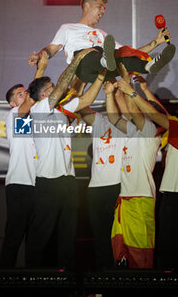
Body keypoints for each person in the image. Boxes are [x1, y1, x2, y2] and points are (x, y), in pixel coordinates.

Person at [25, 50, 107, 270]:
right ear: (44, 96)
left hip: (68, 181)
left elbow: (86, 99)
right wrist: (78, 60)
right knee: (41, 232)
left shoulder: (61, 111)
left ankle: (67, 278)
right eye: (50, 89)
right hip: (48, 181)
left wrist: (101, 75)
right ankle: (31, 276)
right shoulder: (39, 110)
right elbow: (63, 85)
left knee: (69, 231)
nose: (56, 91)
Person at [117, 77, 178, 272]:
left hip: (175, 193)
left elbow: (157, 115)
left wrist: (132, 92)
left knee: (168, 242)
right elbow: (164, 115)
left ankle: (165, 285)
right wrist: (145, 89)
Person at [28, 0, 176, 83]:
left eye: (104, 8)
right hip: (83, 67)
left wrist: (157, 41)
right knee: (95, 50)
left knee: (124, 53)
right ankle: (104, 60)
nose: (103, 11)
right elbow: (51, 49)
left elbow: (129, 52)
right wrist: (39, 56)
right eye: (100, 6)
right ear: (87, 6)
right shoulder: (68, 28)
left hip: (104, 72)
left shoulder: (101, 33)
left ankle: (147, 67)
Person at [105, 66, 164, 269]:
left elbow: (131, 106)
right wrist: (111, 93)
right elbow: (114, 116)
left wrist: (127, 84)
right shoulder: (131, 130)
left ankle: (144, 288)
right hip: (124, 199)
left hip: (141, 198)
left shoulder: (149, 129)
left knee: (141, 253)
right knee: (121, 253)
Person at [77, 83, 129, 271]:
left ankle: (119, 278)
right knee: (100, 237)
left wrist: (110, 94)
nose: (113, 98)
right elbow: (81, 107)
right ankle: (102, 280)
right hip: (95, 188)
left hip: (117, 186)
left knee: (117, 237)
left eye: (116, 96)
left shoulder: (129, 124)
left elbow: (115, 115)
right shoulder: (99, 121)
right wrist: (82, 85)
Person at [0, 84, 37, 268]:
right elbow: (31, 100)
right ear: (12, 103)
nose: (26, 95)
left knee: (35, 238)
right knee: (15, 234)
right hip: (19, 184)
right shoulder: (14, 115)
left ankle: (33, 280)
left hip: (38, 185)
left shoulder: (34, 119)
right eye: (20, 94)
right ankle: (4, 279)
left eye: (26, 91)